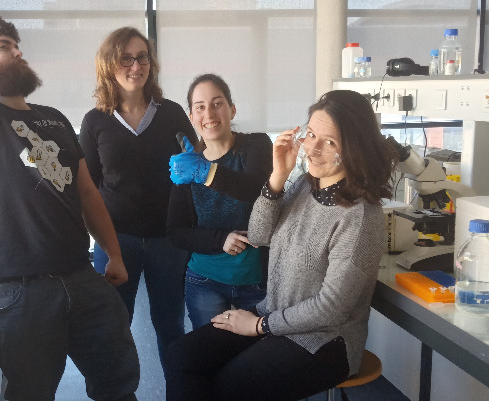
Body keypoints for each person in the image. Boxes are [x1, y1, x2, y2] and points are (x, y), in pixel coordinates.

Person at [0, 2, 139, 400]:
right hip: (16, 290)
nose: (18, 52)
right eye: (4, 46)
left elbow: (86, 192)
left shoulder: (55, 118)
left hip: (80, 275)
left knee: (118, 384)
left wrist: (114, 254)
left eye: (17, 45)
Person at [165, 90, 398, 401]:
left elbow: (331, 308)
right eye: (311, 135)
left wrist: (260, 326)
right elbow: (259, 235)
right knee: (181, 355)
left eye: (329, 142)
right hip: (275, 316)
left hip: (325, 341)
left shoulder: (360, 217)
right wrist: (277, 178)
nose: (313, 149)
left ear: (355, 148)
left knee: (230, 384)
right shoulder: (304, 185)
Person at [79, 27, 196, 371]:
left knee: (171, 326)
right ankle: (118, 392)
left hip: (168, 240)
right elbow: (88, 188)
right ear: (109, 65)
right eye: (126, 58)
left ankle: (178, 390)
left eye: (142, 57)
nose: (136, 66)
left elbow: (194, 168)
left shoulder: (172, 113)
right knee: (113, 328)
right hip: (115, 240)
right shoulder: (95, 121)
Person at [166, 73, 272, 329]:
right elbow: (176, 232)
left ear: (232, 110)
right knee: (209, 351)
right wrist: (220, 239)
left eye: (217, 104)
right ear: (192, 117)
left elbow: (256, 190)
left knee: (259, 352)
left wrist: (206, 172)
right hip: (205, 282)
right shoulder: (188, 165)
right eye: (200, 107)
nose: (209, 114)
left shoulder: (256, 145)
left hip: (258, 283)